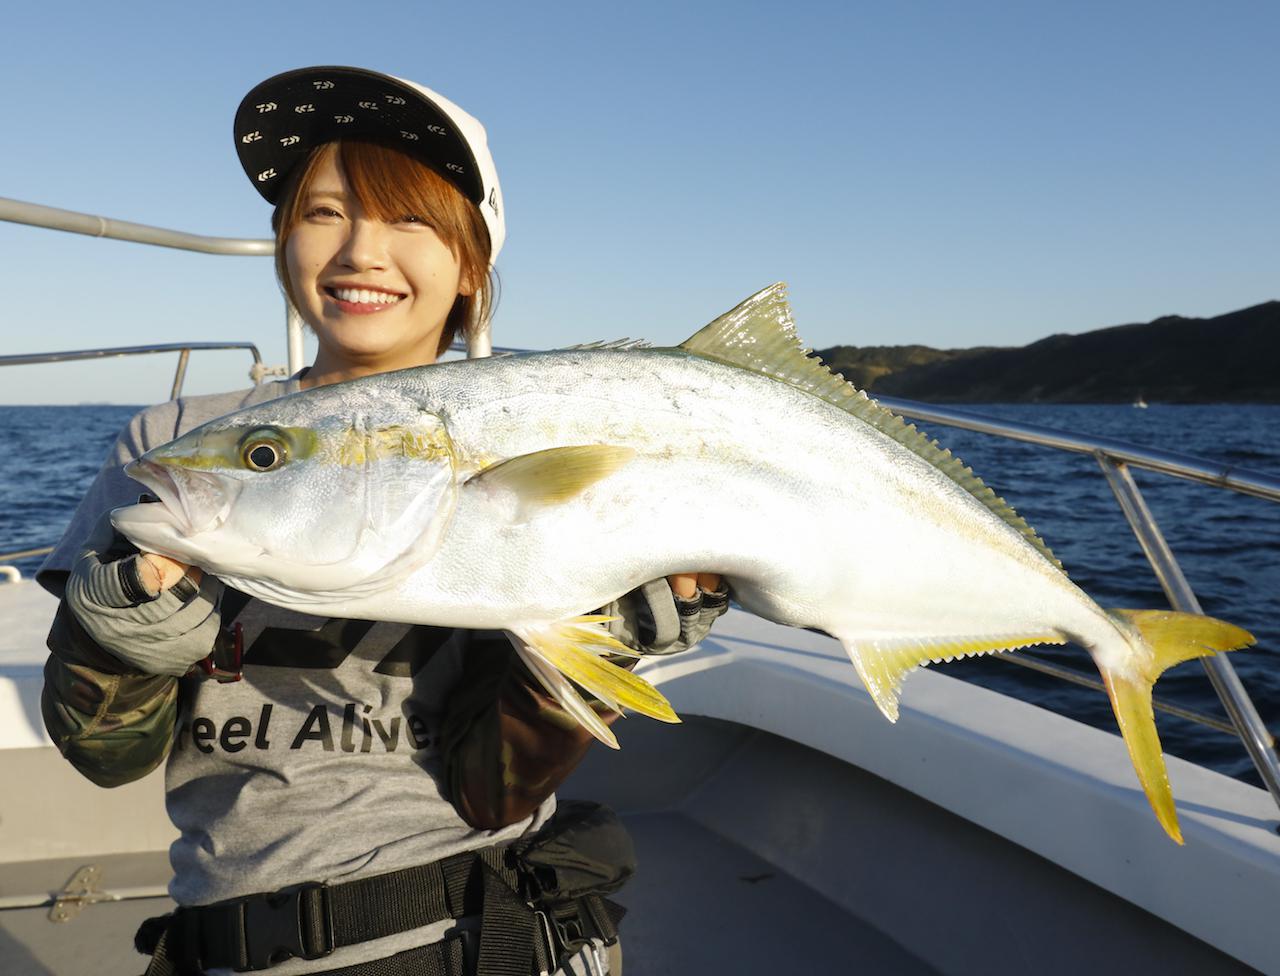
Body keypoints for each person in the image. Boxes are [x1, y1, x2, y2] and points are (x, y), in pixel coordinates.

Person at [38, 66, 727, 976]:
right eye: (323, 212)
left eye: (410, 219)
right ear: (283, 241)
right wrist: (121, 636)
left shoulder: (543, 431)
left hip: (481, 927)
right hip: (223, 935)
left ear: (472, 261)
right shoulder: (171, 441)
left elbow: (490, 793)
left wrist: (611, 638)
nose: (361, 250)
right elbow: (105, 756)